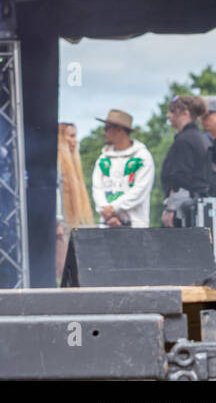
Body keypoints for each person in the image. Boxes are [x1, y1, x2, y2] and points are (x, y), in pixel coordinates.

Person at [90, 109, 155, 229]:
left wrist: (114, 208)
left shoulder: (142, 157)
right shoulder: (103, 158)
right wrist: (107, 213)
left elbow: (140, 189)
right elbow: (97, 188)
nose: (104, 133)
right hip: (107, 224)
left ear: (119, 129)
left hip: (134, 225)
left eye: (106, 128)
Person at [160, 95, 211, 227]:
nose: (168, 115)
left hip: (185, 210)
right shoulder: (202, 139)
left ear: (185, 113)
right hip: (198, 206)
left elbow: (179, 179)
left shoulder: (184, 141)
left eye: (172, 111)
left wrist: (171, 209)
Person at [56, 122, 94, 281]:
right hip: (59, 227)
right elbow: (56, 193)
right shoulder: (57, 163)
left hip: (66, 226)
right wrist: (57, 222)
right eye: (71, 136)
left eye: (75, 136)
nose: (75, 141)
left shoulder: (74, 166)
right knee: (60, 269)